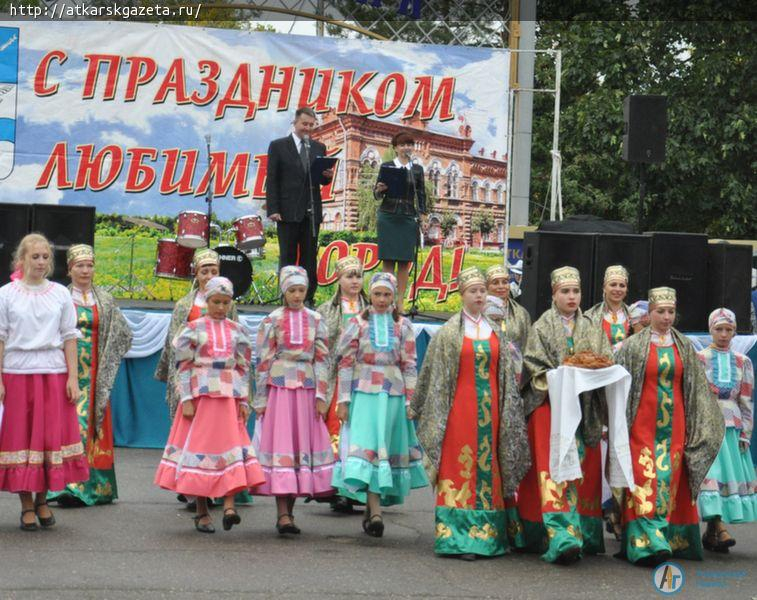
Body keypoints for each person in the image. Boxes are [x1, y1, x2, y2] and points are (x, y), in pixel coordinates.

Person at [412, 267, 529, 560]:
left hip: (492, 410)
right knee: (460, 467)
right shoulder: (450, 332)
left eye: (482, 290)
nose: (479, 295)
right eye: (473, 291)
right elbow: (434, 374)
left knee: (488, 468)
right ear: (462, 295)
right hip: (459, 410)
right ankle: (458, 537)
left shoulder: (495, 331)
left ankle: (489, 534)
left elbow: (510, 371)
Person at [614, 287, 724, 566]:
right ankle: (646, 541)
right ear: (649, 313)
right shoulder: (632, 346)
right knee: (643, 477)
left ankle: (665, 537)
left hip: (675, 425)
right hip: (640, 423)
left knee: (669, 480)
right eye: (660, 312)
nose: (666, 317)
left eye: (670, 312)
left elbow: (697, 389)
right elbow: (619, 388)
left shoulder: (685, 346)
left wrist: (701, 426)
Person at [516, 266, 612, 564]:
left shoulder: (593, 327)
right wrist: (560, 377)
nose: (571, 297)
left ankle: (581, 532)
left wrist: (591, 373)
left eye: (576, 291)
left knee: (582, 469)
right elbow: (532, 368)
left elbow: (605, 360)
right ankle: (559, 535)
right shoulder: (542, 327)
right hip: (550, 409)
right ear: (554, 294)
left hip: (583, 409)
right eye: (565, 292)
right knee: (552, 468)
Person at [155, 277, 265, 533]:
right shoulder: (193, 329)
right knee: (200, 450)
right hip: (201, 397)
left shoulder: (238, 331)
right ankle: (202, 511)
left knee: (230, 449)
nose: (220, 307)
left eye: (226, 302)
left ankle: (229, 506)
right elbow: (183, 366)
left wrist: (243, 399)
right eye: (216, 301)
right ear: (206, 300)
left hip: (227, 397)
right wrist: (187, 398)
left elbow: (242, 368)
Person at [0, 233, 89, 530]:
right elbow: (0, 339)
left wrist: (73, 378)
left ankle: (42, 500)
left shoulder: (60, 294)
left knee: (50, 439)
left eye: (45, 257)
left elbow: (69, 337)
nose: (40, 262)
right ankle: (26, 504)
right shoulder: (7, 294)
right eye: (35, 257)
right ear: (21, 259)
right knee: (22, 440)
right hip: (18, 375)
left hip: (53, 374)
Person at [332, 272, 428, 537]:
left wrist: (411, 400)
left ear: (394, 297)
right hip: (364, 393)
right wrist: (343, 399)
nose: (382, 300)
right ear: (370, 295)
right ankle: (374, 512)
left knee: (383, 449)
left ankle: (372, 509)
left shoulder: (403, 326)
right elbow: (345, 363)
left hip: (393, 395)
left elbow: (410, 365)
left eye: (387, 295)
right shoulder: (357, 324)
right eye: (378, 294)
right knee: (369, 449)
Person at [47, 244, 132, 507]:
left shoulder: (104, 299)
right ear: (70, 269)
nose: (85, 270)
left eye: (90, 265)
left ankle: (94, 487)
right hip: (65, 372)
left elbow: (123, 334)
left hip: (95, 374)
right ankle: (66, 486)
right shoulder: (59, 297)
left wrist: (108, 358)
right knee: (70, 423)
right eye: (80, 265)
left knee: (91, 424)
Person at [253, 266, 336, 534]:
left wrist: (322, 395)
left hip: (307, 388)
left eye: (301, 290)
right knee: (283, 448)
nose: (297, 295)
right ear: (283, 292)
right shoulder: (272, 320)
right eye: (292, 290)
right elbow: (263, 361)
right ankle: (282, 514)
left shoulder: (315, 319)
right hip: (280, 390)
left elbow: (323, 359)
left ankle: (291, 513)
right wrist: (261, 398)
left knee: (301, 448)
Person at [696, 308, 756, 552]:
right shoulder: (699, 358)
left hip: (731, 430)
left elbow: (746, 401)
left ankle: (713, 532)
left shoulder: (743, 362)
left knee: (724, 481)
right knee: (710, 479)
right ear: (710, 330)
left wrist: (746, 433)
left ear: (734, 332)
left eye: (728, 330)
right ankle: (718, 529)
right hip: (707, 427)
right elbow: (694, 397)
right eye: (718, 329)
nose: (723, 334)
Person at [265, 106, 334, 305]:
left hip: (311, 212)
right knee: (287, 256)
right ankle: (286, 298)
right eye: (304, 124)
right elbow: (272, 179)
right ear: (295, 123)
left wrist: (327, 177)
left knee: (309, 258)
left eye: (311, 125)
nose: (308, 128)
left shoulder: (319, 148)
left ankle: (308, 298)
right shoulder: (278, 146)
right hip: (286, 212)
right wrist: (273, 209)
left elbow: (321, 181)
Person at [316, 255, 368, 513]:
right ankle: (337, 489)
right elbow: (321, 350)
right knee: (337, 430)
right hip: (338, 379)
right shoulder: (326, 310)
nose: (355, 280)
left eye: (358, 275)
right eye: (350, 276)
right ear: (338, 279)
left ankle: (358, 489)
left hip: (366, 380)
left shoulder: (372, 309)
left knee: (361, 435)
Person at [373, 131, 428, 313]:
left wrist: (423, 215)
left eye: (409, 144)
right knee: (388, 260)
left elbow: (421, 194)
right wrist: (380, 189)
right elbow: (377, 194)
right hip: (388, 215)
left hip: (407, 216)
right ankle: (386, 299)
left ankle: (400, 301)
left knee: (404, 261)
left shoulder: (417, 169)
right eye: (403, 144)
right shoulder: (387, 166)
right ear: (395, 148)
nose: (407, 147)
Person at [483, 264, 531, 352]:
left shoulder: (520, 312)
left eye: (505, 282)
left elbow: (528, 346)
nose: (501, 286)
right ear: (486, 287)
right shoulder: (478, 311)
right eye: (495, 283)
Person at [585, 265, 631, 351]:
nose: (618, 289)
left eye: (622, 286)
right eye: (613, 285)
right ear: (604, 288)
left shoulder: (633, 316)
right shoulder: (590, 316)